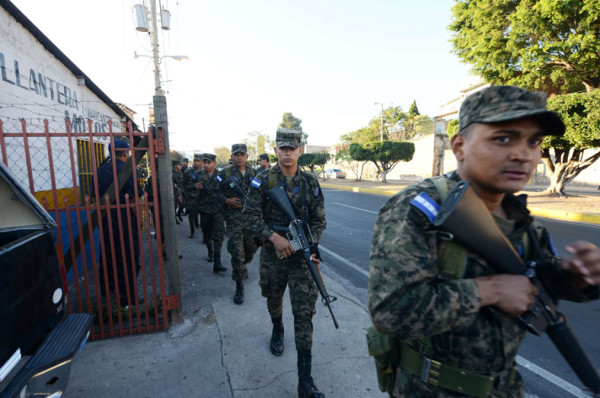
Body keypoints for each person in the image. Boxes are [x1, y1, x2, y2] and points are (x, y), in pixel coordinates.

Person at [368, 86, 600, 398]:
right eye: (503, 138)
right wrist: (488, 291)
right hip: (430, 389)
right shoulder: (420, 207)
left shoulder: (519, 216)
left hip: (505, 388)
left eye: (534, 142)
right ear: (459, 146)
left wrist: (579, 277)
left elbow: (540, 284)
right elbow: (389, 311)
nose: (522, 154)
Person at [242, 129, 327, 398]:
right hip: (273, 254)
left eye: (292, 148)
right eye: (283, 148)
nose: (288, 153)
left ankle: (305, 381)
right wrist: (274, 238)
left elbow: (319, 220)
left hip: (301, 256)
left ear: (300, 151)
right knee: (273, 297)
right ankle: (277, 327)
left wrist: (311, 245)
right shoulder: (263, 179)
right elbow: (249, 217)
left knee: (304, 313)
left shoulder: (310, 182)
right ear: (276, 150)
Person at [97, 139, 142, 307]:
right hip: (124, 219)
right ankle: (128, 299)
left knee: (108, 255)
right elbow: (132, 200)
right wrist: (138, 222)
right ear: (124, 152)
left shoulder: (100, 170)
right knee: (128, 257)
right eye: (128, 152)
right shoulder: (126, 169)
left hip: (105, 218)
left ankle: (109, 293)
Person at [217, 143, 258, 304]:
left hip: (251, 219)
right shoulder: (224, 173)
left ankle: (243, 266)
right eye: (236, 155)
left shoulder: (254, 173)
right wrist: (226, 200)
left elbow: (261, 194)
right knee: (237, 252)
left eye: (242, 154)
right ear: (232, 156)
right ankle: (239, 285)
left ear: (247, 156)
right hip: (233, 219)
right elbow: (214, 191)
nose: (239, 157)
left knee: (250, 249)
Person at [198, 153, 227, 273]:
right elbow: (185, 185)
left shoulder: (220, 175)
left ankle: (217, 261)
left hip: (217, 209)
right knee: (207, 233)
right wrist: (194, 187)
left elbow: (225, 189)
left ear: (214, 163)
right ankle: (210, 251)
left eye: (208, 162)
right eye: (204, 162)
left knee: (219, 234)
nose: (206, 165)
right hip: (204, 209)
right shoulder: (197, 174)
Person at [183, 153, 203, 238]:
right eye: (195, 160)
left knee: (204, 216)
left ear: (202, 162)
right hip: (191, 198)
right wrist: (193, 186)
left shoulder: (205, 171)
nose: (196, 163)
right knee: (191, 215)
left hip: (203, 198)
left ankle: (204, 233)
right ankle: (192, 230)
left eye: (198, 161)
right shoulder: (188, 172)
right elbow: (183, 185)